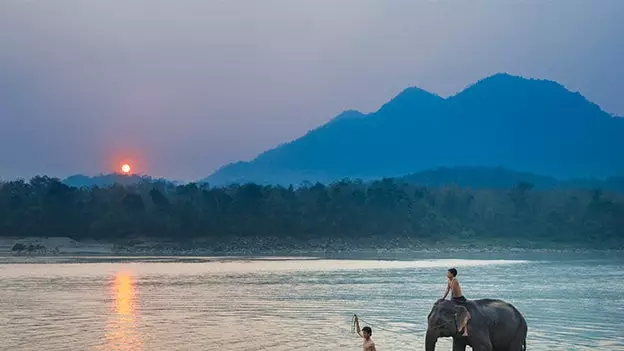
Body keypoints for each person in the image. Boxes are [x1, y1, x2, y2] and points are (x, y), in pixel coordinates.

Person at [440, 268, 470, 337]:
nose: (447, 274)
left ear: (452, 274)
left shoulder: (454, 281)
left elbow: (453, 291)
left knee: (464, 313)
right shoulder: (449, 280)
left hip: (459, 299)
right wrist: (443, 298)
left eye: (448, 273)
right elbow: (447, 290)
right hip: (454, 299)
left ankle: (465, 331)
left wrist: (451, 301)